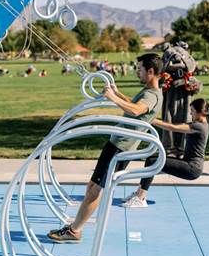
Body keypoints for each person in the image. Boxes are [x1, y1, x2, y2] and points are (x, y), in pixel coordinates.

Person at [47, 53, 163, 242]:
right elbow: (134, 104)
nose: (137, 72)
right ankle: (77, 225)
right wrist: (116, 93)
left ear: (151, 71)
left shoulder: (152, 95)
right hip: (115, 143)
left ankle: (74, 230)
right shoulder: (148, 91)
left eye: (140, 69)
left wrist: (111, 97)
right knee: (93, 185)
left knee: (96, 190)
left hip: (122, 148)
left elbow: (136, 110)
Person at [123, 98, 209, 207]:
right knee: (151, 160)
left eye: (192, 110)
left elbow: (173, 127)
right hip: (189, 164)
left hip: (192, 169)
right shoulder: (199, 124)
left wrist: (150, 120)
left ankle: (141, 198)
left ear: (200, 112)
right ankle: (139, 194)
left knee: (153, 162)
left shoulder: (199, 127)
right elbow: (172, 125)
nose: (190, 113)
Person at [161, 41, 197, 158]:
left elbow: (196, 86)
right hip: (170, 100)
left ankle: (183, 148)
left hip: (185, 101)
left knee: (186, 121)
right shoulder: (165, 78)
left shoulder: (188, 77)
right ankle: (169, 147)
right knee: (169, 120)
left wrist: (186, 82)